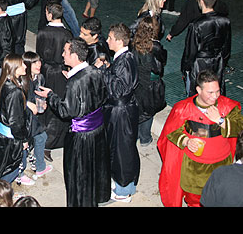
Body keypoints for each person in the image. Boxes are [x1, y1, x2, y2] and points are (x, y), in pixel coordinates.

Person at [36, 38, 111, 207]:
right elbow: (102, 96)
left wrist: (51, 95)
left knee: (78, 175)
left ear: (75, 55)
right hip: (98, 130)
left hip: (81, 137)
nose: (62, 54)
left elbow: (65, 112)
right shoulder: (95, 71)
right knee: (95, 168)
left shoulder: (74, 82)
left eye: (65, 51)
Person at [157, 70, 243, 207]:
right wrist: (186, 141)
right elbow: (171, 132)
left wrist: (220, 120)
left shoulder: (227, 106)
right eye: (210, 92)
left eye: (217, 91)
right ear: (198, 90)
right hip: (194, 168)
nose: (215, 96)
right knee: (195, 201)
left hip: (222, 165)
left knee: (220, 198)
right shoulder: (183, 108)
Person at [100, 23, 140, 203]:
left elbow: (117, 89)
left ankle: (124, 191)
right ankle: (126, 185)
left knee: (120, 150)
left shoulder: (123, 60)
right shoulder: (126, 57)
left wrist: (103, 72)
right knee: (125, 147)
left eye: (109, 38)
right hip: (125, 109)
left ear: (118, 40)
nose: (107, 40)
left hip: (120, 112)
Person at [35, 2, 73, 161]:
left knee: (46, 105)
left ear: (50, 14)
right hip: (61, 74)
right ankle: (54, 141)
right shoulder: (67, 34)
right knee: (58, 106)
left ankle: (45, 142)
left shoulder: (43, 31)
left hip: (46, 71)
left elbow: (39, 53)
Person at [0, 54, 34, 186]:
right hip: (11, 140)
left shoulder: (2, 84)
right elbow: (16, 121)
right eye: (22, 64)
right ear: (15, 68)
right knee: (10, 171)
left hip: (0, 135)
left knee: (2, 167)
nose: (25, 66)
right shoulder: (14, 92)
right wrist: (23, 140)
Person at [181, 0, 231, 97]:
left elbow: (190, 50)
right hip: (217, 62)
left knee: (199, 95)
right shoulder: (225, 21)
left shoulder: (196, 24)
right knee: (215, 93)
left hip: (199, 64)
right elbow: (227, 48)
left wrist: (185, 68)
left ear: (201, 2)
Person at [131, 16, 167, 147]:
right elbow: (161, 64)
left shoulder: (134, 43)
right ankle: (145, 137)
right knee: (149, 110)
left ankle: (134, 136)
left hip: (138, 82)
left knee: (138, 110)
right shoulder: (155, 46)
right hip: (151, 84)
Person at [22, 51, 53, 180]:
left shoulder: (39, 77)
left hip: (33, 117)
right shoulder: (23, 80)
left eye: (39, 61)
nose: (39, 64)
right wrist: (28, 103)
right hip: (23, 117)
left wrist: (42, 103)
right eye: (34, 62)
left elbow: (39, 94)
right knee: (24, 143)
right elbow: (14, 99)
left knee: (40, 138)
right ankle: (20, 172)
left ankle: (40, 167)